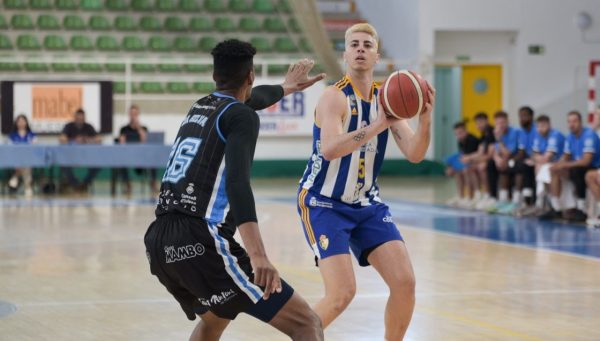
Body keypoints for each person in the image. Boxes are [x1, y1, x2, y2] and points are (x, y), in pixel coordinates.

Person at [144, 40, 326, 341]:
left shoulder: (200, 106)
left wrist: (286, 87)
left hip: (160, 242)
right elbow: (238, 183)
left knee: (215, 320)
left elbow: (250, 100)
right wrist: (259, 257)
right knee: (307, 324)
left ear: (216, 76)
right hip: (200, 237)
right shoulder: (242, 116)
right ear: (251, 76)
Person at [296, 23, 435, 340]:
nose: (360, 49)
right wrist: (378, 126)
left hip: (366, 204)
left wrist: (426, 118)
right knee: (341, 293)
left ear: (376, 56)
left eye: (367, 45)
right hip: (323, 202)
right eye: (354, 44)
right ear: (345, 54)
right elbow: (330, 149)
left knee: (405, 282)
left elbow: (415, 153)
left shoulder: (387, 99)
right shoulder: (334, 97)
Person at [540, 111, 600, 222]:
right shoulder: (570, 137)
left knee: (578, 171)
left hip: (592, 167)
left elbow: (586, 161)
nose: (571, 124)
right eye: (569, 122)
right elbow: (566, 156)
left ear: (581, 122)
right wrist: (557, 165)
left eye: (574, 121)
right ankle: (556, 208)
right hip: (577, 166)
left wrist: (565, 164)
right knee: (554, 171)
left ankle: (581, 209)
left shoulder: (589, 135)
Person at [528, 115, 564, 215]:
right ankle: (543, 202)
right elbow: (534, 154)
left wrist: (537, 159)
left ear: (549, 125)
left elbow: (547, 157)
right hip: (549, 165)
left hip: (561, 164)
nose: (540, 129)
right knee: (538, 167)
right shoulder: (537, 135)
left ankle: (549, 204)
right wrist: (537, 159)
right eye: (538, 126)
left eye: (543, 126)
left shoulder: (555, 135)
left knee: (543, 167)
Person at [59, 108, 102, 192]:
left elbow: (99, 139)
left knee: (98, 165)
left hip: (87, 156)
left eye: (81, 118)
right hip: (71, 156)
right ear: (74, 117)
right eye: (78, 118)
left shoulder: (88, 127)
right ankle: (76, 184)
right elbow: (61, 139)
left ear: (84, 118)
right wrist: (74, 140)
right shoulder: (69, 126)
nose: (79, 120)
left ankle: (85, 183)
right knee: (63, 165)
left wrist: (86, 140)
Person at [118, 104, 158, 195]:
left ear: (138, 114)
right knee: (121, 162)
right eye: (132, 114)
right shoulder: (123, 129)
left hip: (142, 157)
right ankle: (127, 184)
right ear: (129, 114)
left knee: (153, 160)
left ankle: (153, 182)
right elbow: (121, 145)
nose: (133, 116)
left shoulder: (144, 128)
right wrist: (122, 140)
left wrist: (138, 127)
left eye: (135, 114)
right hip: (128, 157)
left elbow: (145, 141)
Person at [488, 110, 520, 213]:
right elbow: (495, 152)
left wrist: (499, 139)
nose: (500, 125)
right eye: (498, 123)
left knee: (508, 167)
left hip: (516, 158)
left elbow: (507, 153)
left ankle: (516, 201)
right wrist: (497, 160)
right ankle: (500, 199)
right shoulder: (498, 133)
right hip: (505, 159)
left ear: (507, 122)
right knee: (491, 164)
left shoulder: (514, 132)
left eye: (502, 122)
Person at [465, 112, 496, 209]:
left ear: (486, 121)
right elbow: (480, 152)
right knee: (470, 167)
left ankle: (488, 195)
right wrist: (470, 158)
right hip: (487, 159)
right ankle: (477, 195)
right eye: (477, 123)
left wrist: (475, 160)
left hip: (494, 160)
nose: (478, 125)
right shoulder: (483, 135)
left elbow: (490, 155)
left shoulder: (492, 133)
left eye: (481, 122)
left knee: (482, 167)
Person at [445, 121, 480, 208]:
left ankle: (471, 196)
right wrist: (452, 167)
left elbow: (475, 157)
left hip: (477, 162)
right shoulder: (460, 141)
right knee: (457, 171)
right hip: (468, 162)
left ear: (466, 131)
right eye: (456, 134)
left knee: (466, 170)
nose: (458, 136)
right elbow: (462, 156)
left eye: (460, 133)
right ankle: (460, 196)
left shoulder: (472, 140)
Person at [7, 114, 36, 196]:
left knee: (26, 162)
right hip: (15, 158)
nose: (21, 123)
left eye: (23, 121)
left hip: (29, 157)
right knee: (23, 163)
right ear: (16, 123)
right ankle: (28, 187)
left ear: (26, 122)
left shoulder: (31, 135)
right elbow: (10, 148)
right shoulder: (12, 135)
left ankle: (15, 177)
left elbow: (35, 146)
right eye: (19, 121)